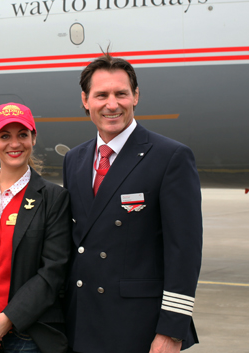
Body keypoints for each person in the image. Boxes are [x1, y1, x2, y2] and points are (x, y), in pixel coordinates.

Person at [62, 52, 203, 352]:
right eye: (101, 95)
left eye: (121, 94)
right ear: (85, 100)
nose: (112, 104)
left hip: (138, 328)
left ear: (136, 96)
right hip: (82, 325)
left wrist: (172, 330)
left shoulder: (169, 157)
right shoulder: (74, 160)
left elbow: (184, 252)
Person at [0, 103, 72, 353]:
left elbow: (53, 271)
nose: (15, 144)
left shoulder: (54, 198)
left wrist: (8, 318)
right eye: (4, 136)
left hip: (30, 337)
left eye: (22, 135)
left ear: (34, 138)